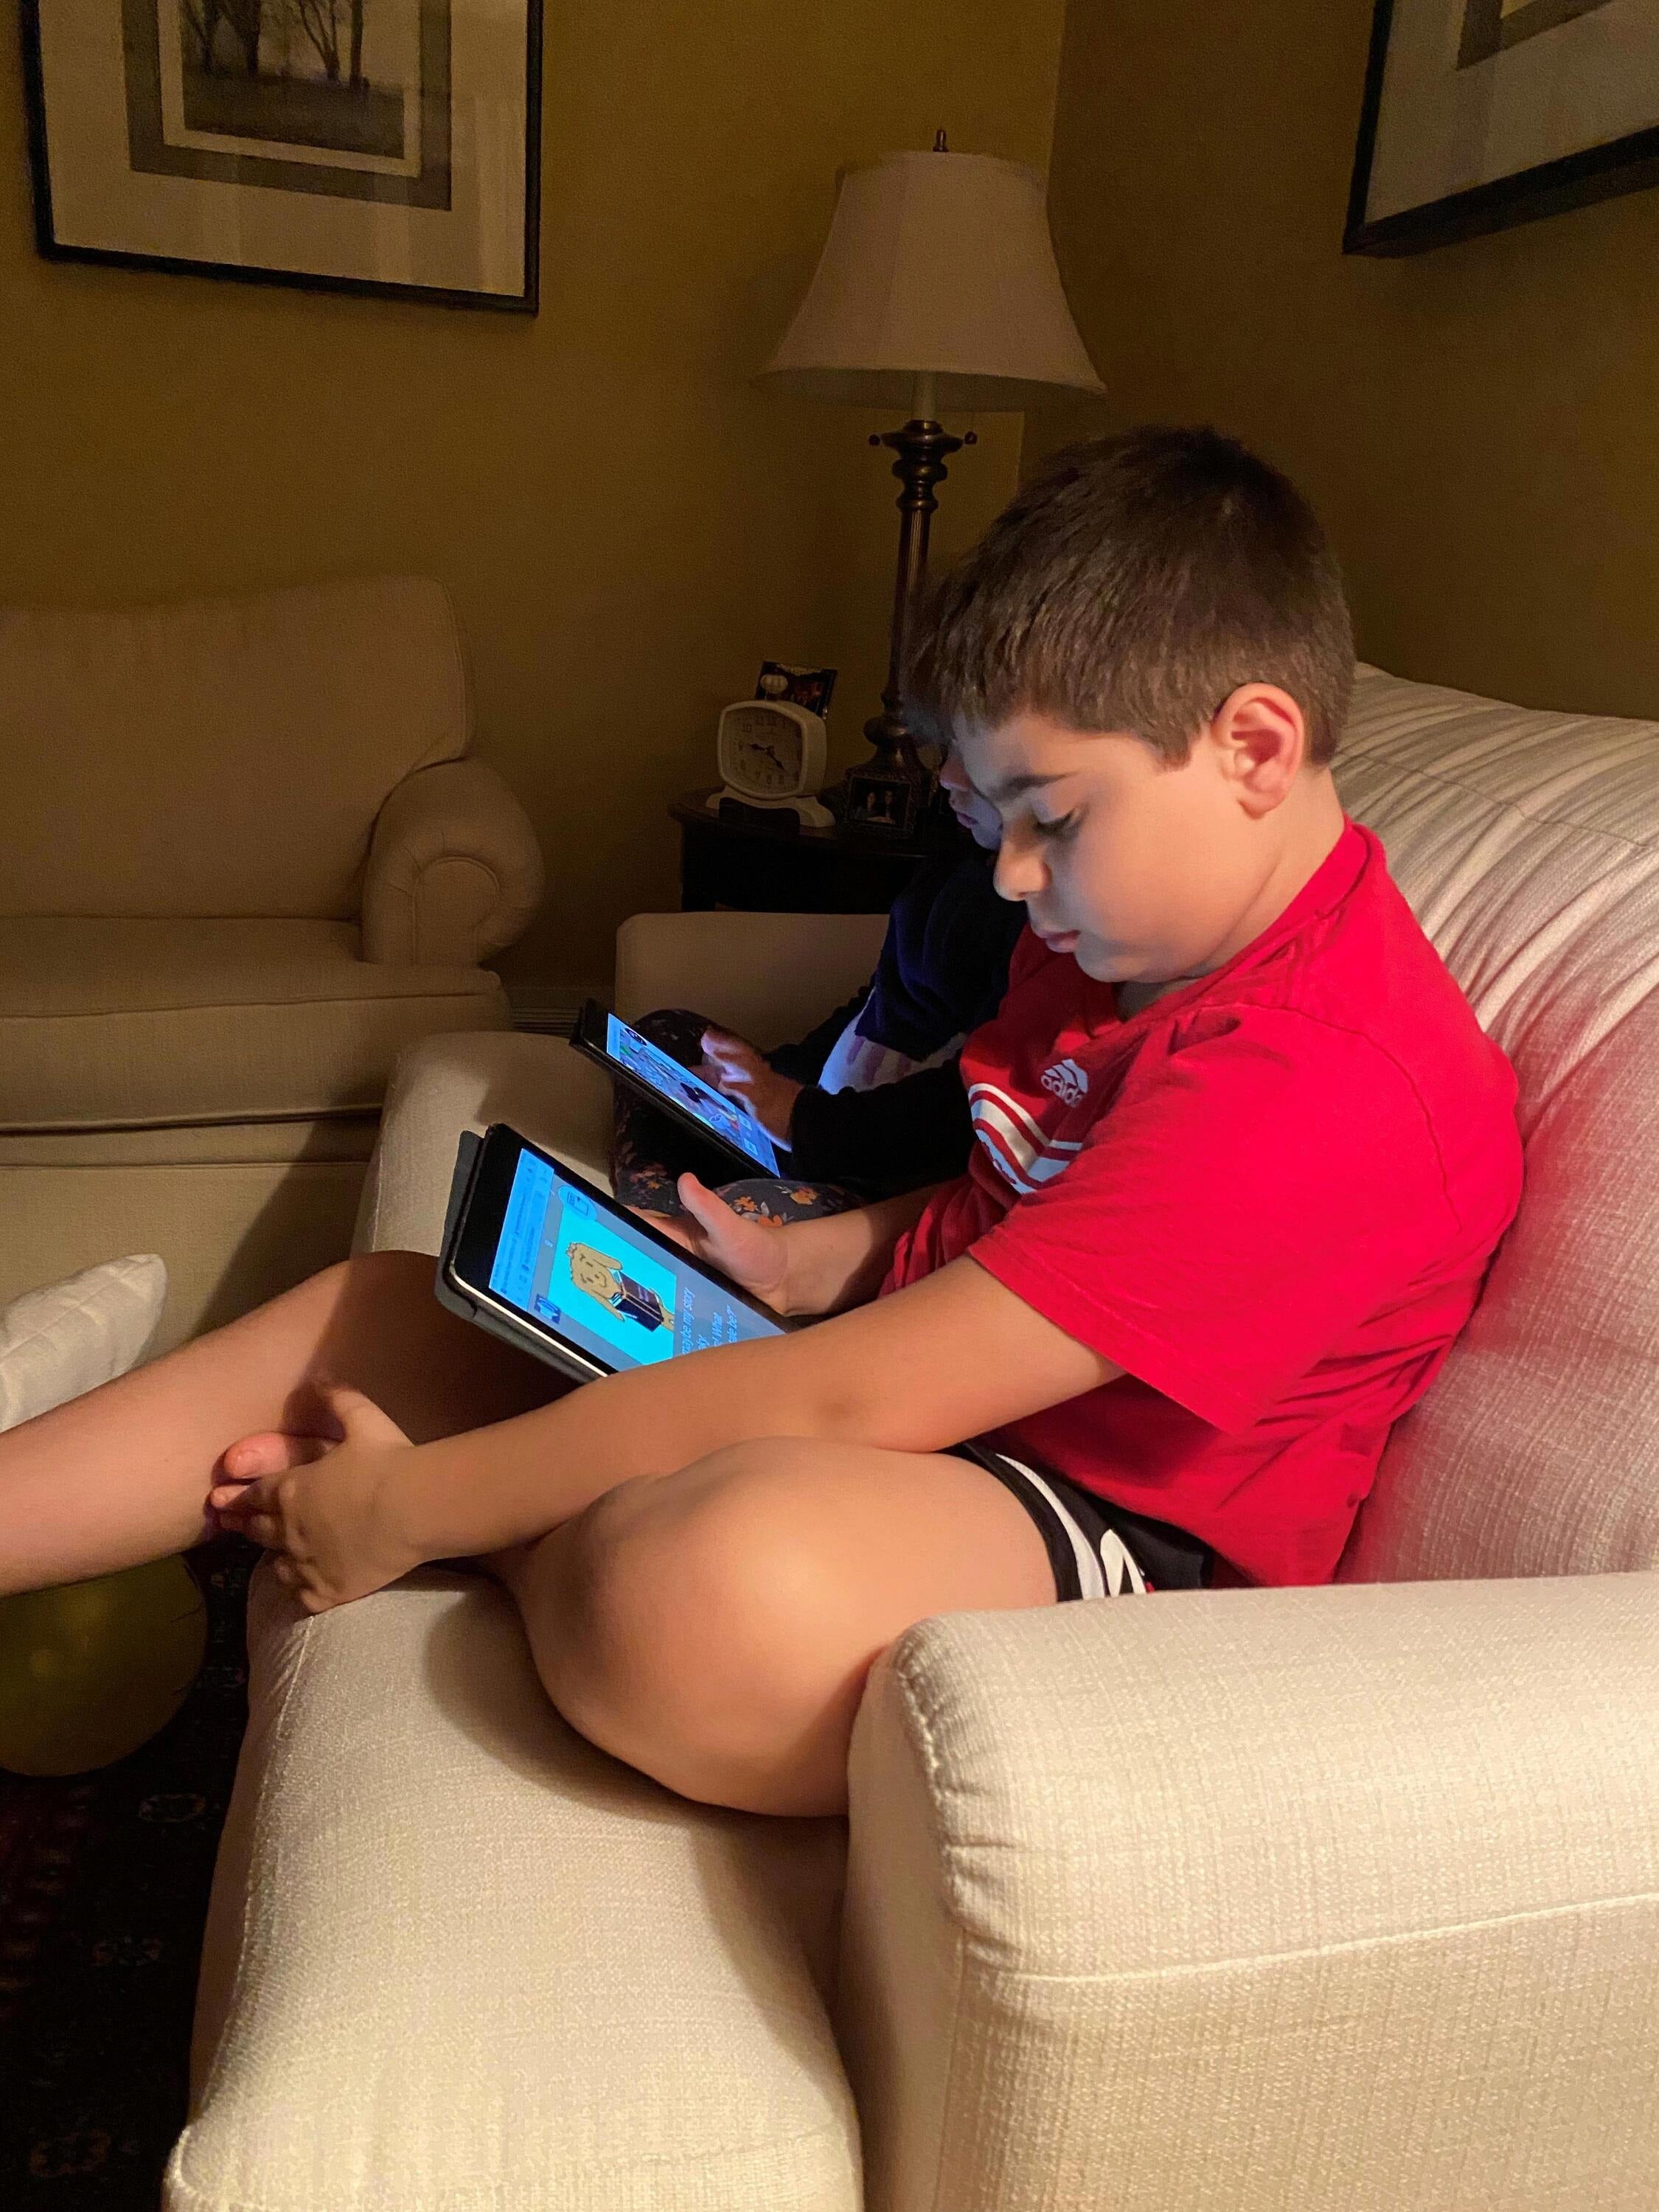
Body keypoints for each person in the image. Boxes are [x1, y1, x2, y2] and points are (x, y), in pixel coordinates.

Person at [0, 428, 1523, 1823]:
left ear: (1253, 749)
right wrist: (825, 1259)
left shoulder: (1315, 1078)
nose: (1010, 883)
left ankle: (488, 1508)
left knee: (703, 1590)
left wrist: (410, 1507)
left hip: (1113, 1530)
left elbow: (861, 1407)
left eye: (1049, 818)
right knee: (384, 1305)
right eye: (992, 827)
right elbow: (1008, 1200)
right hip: (952, 1402)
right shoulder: (1123, 940)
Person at [611, 766, 1024, 1223]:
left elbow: (953, 1112)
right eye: (948, 749)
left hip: (877, 1172)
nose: (945, 776)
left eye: (970, 757)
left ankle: (660, 1208)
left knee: (741, 1212)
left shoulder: (1033, 926)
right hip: (814, 1116)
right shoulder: (955, 859)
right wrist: (761, 1081)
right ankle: (656, 1186)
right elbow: (872, 1006)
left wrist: (794, 1114)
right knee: (659, 1034)